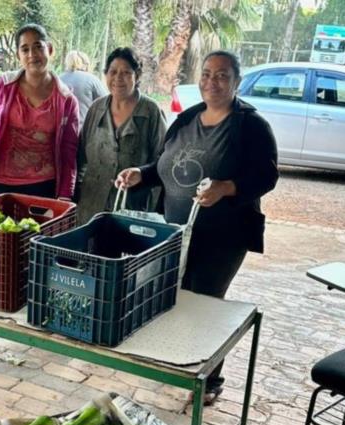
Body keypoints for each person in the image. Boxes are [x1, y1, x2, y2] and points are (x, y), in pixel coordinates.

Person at [115, 50, 278, 404]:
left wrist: (227, 187)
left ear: (237, 81)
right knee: (173, 298)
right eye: (206, 74)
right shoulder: (187, 118)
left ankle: (208, 381)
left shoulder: (251, 126)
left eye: (222, 75)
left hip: (222, 237)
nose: (212, 81)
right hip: (176, 231)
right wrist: (140, 174)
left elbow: (266, 176)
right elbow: (164, 163)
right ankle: (178, 363)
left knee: (205, 305)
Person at [0, 23, 79, 203]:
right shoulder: (2, 86)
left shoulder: (66, 100)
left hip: (44, 186)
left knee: (37, 232)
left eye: (38, 47)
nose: (32, 55)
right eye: (25, 49)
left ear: (49, 49)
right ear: (18, 55)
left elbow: (69, 151)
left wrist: (65, 194)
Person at [76, 47, 166, 224]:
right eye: (113, 72)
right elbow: (81, 156)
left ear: (137, 75)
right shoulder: (96, 108)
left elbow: (163, 161)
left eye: (126, 72)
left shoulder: (151, 112)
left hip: (132, 208)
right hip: (91, 206)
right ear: (105, 75)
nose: (118, 78)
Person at [60, 50, 108, 129]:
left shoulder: (59, 79)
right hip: (83, 131)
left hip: (61, 131)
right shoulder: (92, 80)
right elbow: (108, 102)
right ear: (85, 65)